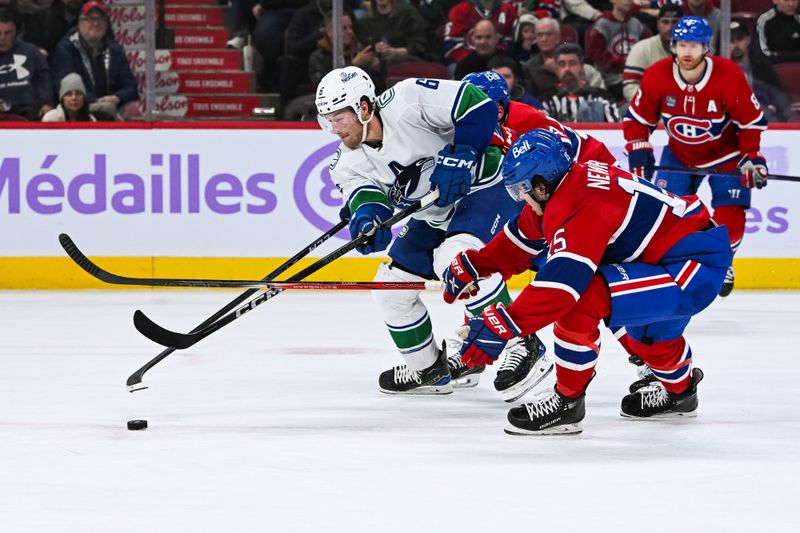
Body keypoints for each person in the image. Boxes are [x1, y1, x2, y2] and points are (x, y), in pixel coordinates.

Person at [442, 128, 732, 435]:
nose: (521, 199)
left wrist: (503, 325)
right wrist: (476, 263)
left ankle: (567, 402)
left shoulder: (582, 206)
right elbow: (523, 238)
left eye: (521, 191)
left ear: (541, 185)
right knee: (650, 340)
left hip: (691, 267)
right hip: (673, 254)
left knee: (582, 301)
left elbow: (561, 288)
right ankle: (682, 395)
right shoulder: (568, 184)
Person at [316, 66, 550, 400]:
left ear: (364, 107)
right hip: (436, 212)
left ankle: (522, 343)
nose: (335, 129)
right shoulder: (346, 162)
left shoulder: (409, 99)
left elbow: (478, 104)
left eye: (339, 118)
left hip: (488, 184)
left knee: (455, 258)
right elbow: (368, 199)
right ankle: (429, 370)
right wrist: (368, 222)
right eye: (327, 121)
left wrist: (465, 153)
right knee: (389, 288)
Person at [623, 16, 768, 297]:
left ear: (706, 48)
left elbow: (749, 121)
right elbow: (637, 120)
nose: (687, 52)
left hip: (726, 156)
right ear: (674, 46)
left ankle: (723, 262)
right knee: (665, 213)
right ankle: (669, 266)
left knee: (730, 213)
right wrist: (639, 147)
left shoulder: (728, 74)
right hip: (678, 155)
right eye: (682, 45)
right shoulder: (657, 75)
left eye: (695, 45)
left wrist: (752, 155)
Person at [51, 1, 138, 117]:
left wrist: (117, 97)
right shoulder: (66, 49)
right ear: (80, 22)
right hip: (78, 112)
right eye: (90, 19)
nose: (96, 24)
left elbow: (131, 87)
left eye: (101, 19)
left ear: (107, 24)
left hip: (112, 108)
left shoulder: (115, 50)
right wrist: (97, 102)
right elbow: (65, 88)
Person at [585, 0, 650, 101]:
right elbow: (596, 55)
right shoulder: (601, 25)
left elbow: (647, 48)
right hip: (610, 78)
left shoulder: (636, 24)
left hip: (635, 75)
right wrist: (623, 64)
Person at [729, 20, 792, 123]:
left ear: (748, 40)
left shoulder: (762, 67)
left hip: (763, 116)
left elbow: (780, 96)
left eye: (739, 39)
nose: (736, 45)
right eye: (731, 40)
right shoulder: (719, 70)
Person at [540, 43, 620, 122]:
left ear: (582, 68)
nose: (567, 68)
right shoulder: (548, 102)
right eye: (562, 64)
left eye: (572, 63)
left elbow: (614, 128)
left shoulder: (601, 97)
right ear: (556, 69)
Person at [0, 7, 53, 120]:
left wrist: (46, 103)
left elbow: (44, 81)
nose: (2, 38)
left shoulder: (32, 52)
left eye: (7, 33)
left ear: (15, 31)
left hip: (30, 111)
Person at [623, 3, 682, 102]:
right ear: (657, 24)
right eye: (665, 22)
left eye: (675, 22)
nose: (670, 27)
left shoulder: (694, 52)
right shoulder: (641, 49)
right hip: (649, 106)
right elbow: (630, 85)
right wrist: (650, 106)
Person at [443, 0, 517, 67]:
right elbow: (451, 48)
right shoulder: (459, 11)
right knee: (454, 68)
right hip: (466, 64)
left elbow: (510, 45)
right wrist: (474, 59)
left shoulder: (508, 11)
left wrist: (495, 58)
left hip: (500, 64)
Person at [42, 72, 113, 121]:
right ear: (62, 99)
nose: (74, 98)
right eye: (69, 94)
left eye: (78, 93)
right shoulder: (50, 119)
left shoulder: (92, 120)